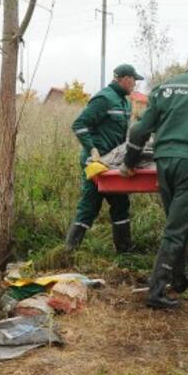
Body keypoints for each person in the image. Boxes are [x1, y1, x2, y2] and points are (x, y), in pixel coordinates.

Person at [122, 48, 188, 309]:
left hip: (165, 161)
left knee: (177, 222)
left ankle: (179, 279)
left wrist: (129, 162)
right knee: (177, 228)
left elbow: (140, 130)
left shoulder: (163, 88)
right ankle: (156, 291)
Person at [65, 64, 144, 253]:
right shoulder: (104, 98)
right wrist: (91, 149)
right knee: (90, 205)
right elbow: (79, 125)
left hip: (113, 163)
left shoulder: (124, 101)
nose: (135, 85)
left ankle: (124, 249)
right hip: (96, 163)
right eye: (134, 81)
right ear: (125, 79)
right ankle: (69, 250)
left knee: (120, 203)